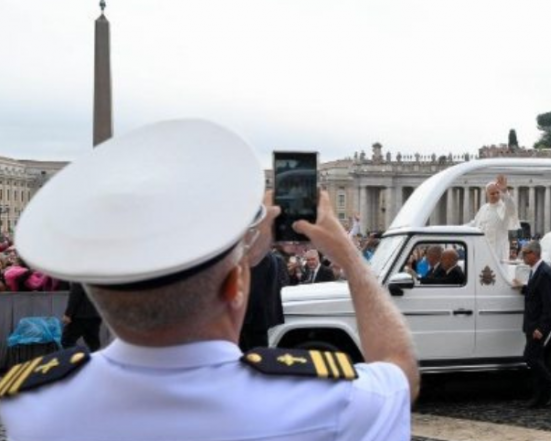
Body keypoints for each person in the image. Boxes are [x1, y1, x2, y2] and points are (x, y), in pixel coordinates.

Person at [0, 120, 418, 440]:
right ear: (237, 286)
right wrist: (350, 256)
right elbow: (399, 369)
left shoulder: (32, 405)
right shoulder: (325, 403)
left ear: (95, 291)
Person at [515, 241, 551, 408]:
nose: (523, 257)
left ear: (534, 254)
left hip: (538, 326)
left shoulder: (545, 272)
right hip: (532, 323)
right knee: (536, 359)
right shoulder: (536, 270)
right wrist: (523, 288)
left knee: (530, 357)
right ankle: (540, 397)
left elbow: (549, 305)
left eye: (525, 253)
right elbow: (536, 292)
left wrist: (541, 328)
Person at [470, 174, 520, 260]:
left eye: (497, 192)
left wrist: (505, 192)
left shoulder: (504, 207)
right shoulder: (483, 208)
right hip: (483, 251)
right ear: (487, 195)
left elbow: (512, 209)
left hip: (499, 253)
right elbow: (474, 223)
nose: (496, 195)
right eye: (492, 193)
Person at [61, 282, 102, 352]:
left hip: (80, 315)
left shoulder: (79, 278)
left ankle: (80, 356)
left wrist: (68, 314)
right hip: (96, 314)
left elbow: (75, 295)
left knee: (67, 341)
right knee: (93, 345)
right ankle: (92, 358)